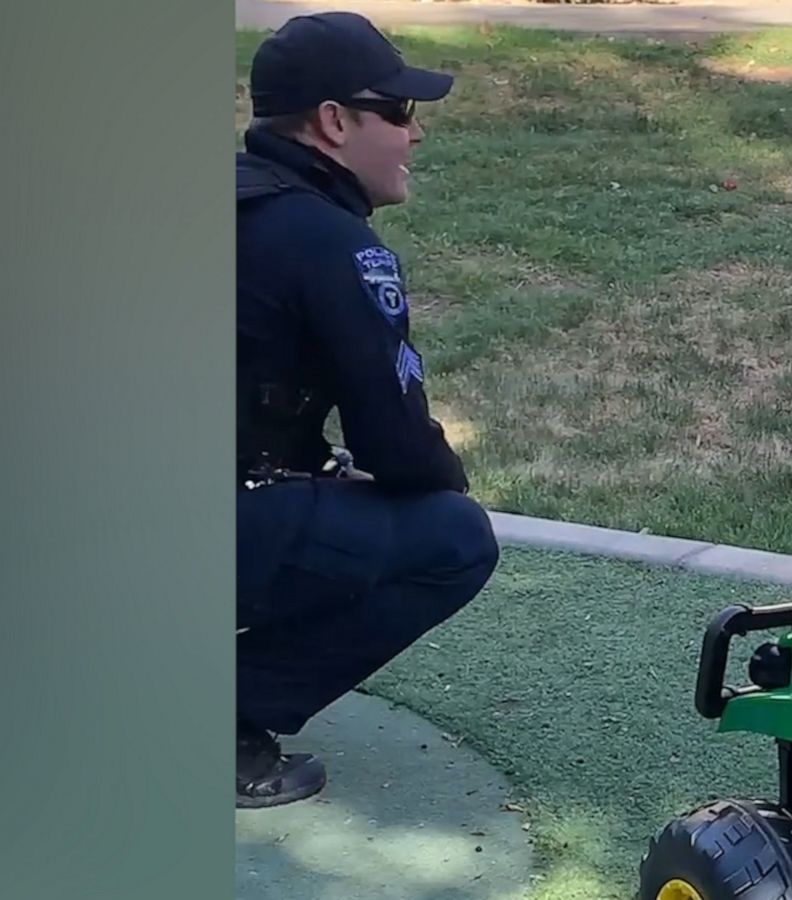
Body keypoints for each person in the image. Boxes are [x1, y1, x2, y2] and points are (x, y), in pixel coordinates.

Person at [235, 12, 500, 808]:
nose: (413, 136)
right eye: (400, 113)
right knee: (453, 538)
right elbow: (400, 446)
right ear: (334, 123)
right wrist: (439, 475)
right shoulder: (334, 244)